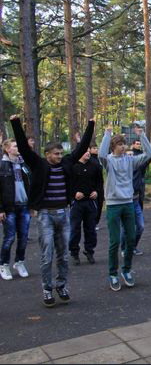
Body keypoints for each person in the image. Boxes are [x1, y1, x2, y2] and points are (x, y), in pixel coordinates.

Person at [11, 115, 95, 307]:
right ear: (47, 154)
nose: (59, 156)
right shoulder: (38, 163)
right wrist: (15, 123)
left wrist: (91, 125)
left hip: (63, 214)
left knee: (63, 255)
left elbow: (81, 147)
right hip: (45, 216)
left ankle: (61, 286)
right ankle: (47, 289)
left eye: (61, 153)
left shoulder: (66, 162)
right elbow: (24, 147)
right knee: (47, 254)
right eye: (56, 154)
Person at [99, 125, 151, 292]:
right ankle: (113, 274)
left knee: (131, 238)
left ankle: (127, 270)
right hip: (113, 205)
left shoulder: (130, 160)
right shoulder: (108, 161)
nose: (123, 146)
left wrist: (142, 135)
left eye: (124, 144)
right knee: (115, 241)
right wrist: (107, 134)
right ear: (113, 146)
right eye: (119, 144)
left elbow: (149, 154)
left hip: (129, 202)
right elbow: (101, 155)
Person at [0, 139, 31, 280]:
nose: (18, 147)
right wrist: (1, 209)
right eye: (15, 146)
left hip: (24, 206)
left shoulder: (23, 164)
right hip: (9, 208)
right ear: (7, 149)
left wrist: (32, 205)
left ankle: (19, 262)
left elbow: (29, 184)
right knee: (9, 238)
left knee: (23, 237)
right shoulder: (2, 165)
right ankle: (4, 264)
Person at [69, 147, 103, 265]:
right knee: (75, 229)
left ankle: (89, 251)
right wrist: (74, 194)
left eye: (88, 151)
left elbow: (100, 182)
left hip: (90, 202)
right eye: (85, 151)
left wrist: (96, 192)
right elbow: (67, 184)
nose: (88, 153)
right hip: (77, 203)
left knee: (91, 229)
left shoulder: (95, 166)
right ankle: (74, 253)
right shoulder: (72, 166)